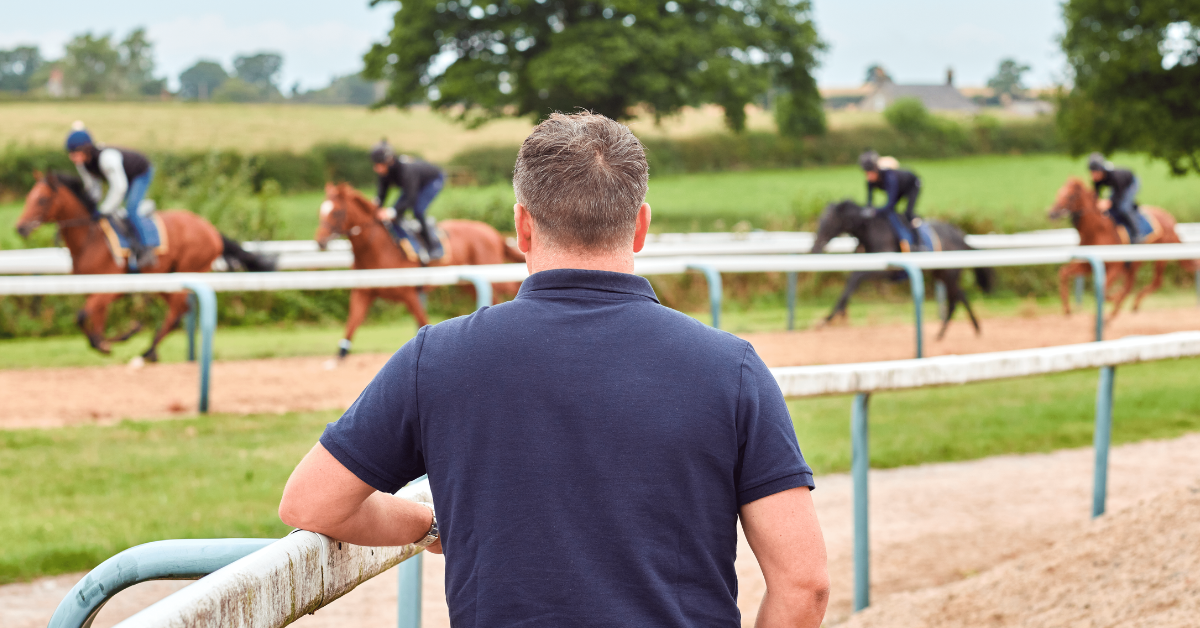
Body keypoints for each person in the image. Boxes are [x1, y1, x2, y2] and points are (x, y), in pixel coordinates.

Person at [280, 112, 829, 628]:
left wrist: (427, 526)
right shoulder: (732, 368)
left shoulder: (435, 357)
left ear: (521, 227)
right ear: (640, 227)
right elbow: (804, 586)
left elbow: (309, 502)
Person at [65, 125, 156, 271]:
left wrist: (103, 210)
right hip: (124, 178)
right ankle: (130, 246)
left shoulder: (107, 158)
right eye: (70, 153)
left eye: (75, 153)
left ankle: (146, 248)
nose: (72, 157)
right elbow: (93, 188)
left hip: (140, 173)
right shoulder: (82, 164)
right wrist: (92, 208)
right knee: (116, 212)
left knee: (131, 210)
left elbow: (120, 187)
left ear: (86, 149)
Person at [371, 139, 445, 263]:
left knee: (418, 210)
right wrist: (376, 207)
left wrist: (392, 212)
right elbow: (382, 193)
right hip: (413, 186)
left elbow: (411, 198)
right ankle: (407, 240)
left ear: (388, 161)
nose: (376, 168)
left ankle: (433, 247)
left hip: (431, 181)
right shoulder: (384, 172)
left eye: (379, 164)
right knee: (395, 214)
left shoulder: (406, 170)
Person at [860, 149, 924, 251]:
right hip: (899, 188)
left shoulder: (889, 177)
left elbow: (889, 205)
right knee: (891, 213)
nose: (868, 176)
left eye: (870, 172)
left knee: (908, 213)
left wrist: (875, 211)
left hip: (912, 185)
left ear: (876, 169)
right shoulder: (869, 181)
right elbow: (869, 203)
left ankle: (918, 243)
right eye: (866, 173)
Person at [1088, 152, 1143, 243]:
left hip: (1130, 183)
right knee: (1110, 208)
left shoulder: (1114, 176)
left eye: (1096, 172)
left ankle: (1137, 234)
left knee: (1124, 206)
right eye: (1092, 173)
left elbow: (1119, 194)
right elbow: (1096, 194)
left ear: (1101, 170)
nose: (1094, 176)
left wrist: (1109, 202)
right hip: (1118, 187)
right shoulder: (1096, 180)